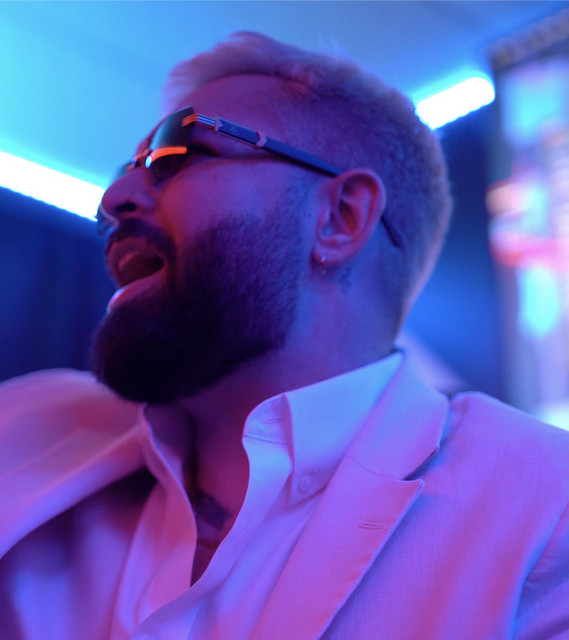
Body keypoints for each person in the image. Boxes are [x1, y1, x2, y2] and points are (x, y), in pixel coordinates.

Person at [0, 31, 567, 640]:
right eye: (127, 170)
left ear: (339, 218)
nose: (114, 199)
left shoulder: (545, 508)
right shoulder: (25, 422)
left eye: (176, 150)